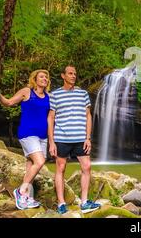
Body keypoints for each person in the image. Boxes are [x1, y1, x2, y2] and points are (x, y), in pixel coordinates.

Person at [48, 65, 100, 214]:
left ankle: (84, 202)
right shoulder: (55, 95)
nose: (73, 76)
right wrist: (51, 142)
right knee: (61, 168)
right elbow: (51, 117)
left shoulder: (83, 93)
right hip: (62, 137)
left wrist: (88, 138)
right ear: (63, 75)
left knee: (87, 167)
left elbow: (88, 116)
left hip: (80, 138)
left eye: (75, 74)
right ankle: (61, 203)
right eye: (70, 73)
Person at [0, 69, 51, 210]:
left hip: (42, 136)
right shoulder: (27, 92)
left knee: (31, 164)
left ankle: (27, 197)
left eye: (46, 77)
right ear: (35, 78)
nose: (45, 79)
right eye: (41, 76)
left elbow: (50, 118)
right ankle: (20, 191)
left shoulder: (48, 97)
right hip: (28, 133)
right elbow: (9, 103)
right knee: (40, 161)